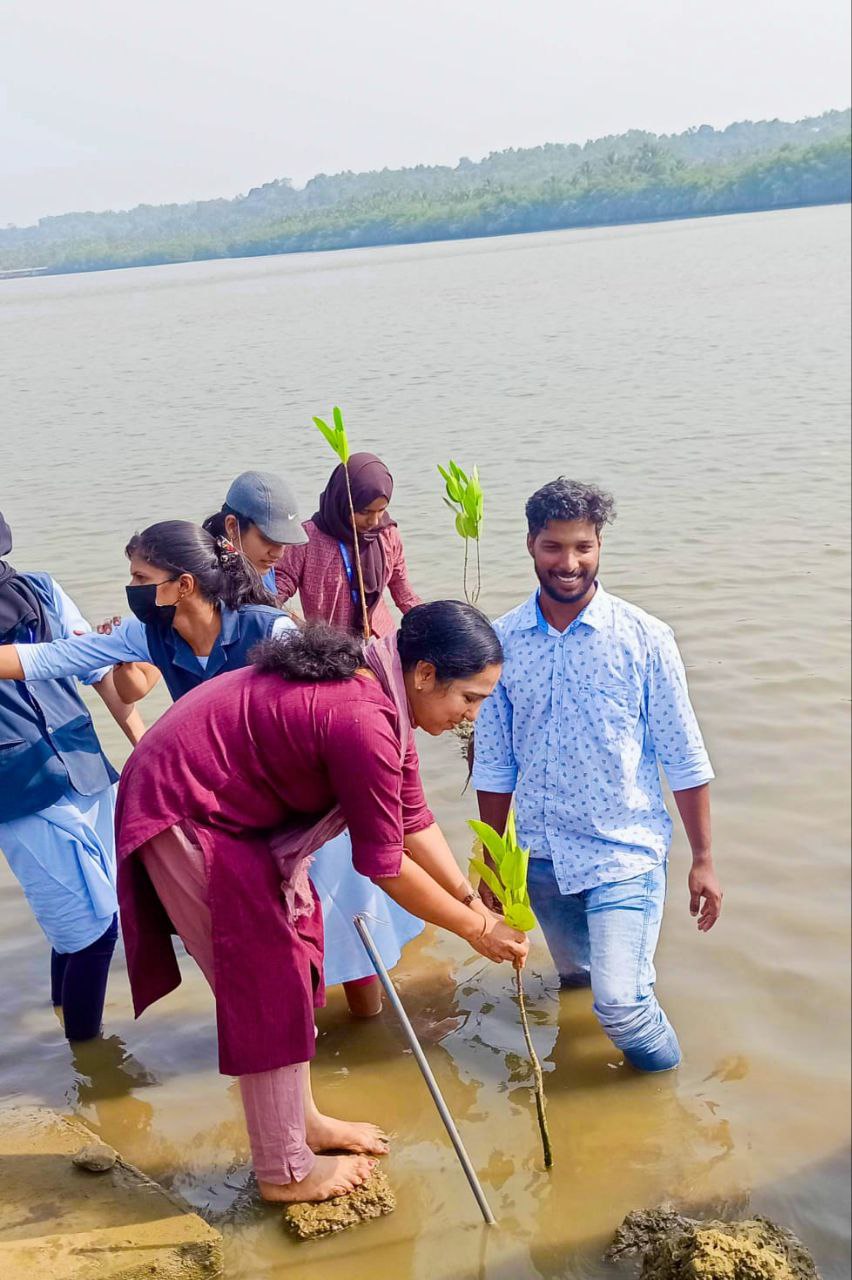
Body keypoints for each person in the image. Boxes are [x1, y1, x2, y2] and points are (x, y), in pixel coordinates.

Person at [115, 603, 528, 1203]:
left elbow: (412, 818)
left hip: (235, 811)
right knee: (266, 980)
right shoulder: (362, 718)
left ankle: (301, 1121)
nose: (472, 715)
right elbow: (383, 865)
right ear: (425, 674)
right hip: (186, 806)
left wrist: (473, 901)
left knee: (298, 955)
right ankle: (284, 1169)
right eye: (469, 698)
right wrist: (473, 931)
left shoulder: (385, 694)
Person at [472, 478, 722, 1073]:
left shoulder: (645, 639)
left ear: (600, 544)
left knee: (624, 1005)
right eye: (554, 547)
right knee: (577, 981)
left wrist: (704, 857)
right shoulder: (502, 643)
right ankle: (584, 1089)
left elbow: (683, 755)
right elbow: (494, 762)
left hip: (623, 852)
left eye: (583, 546)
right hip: (541, 855)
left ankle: (663, 1095)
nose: (569, 562)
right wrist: (490, 863)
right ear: (531, 544)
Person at [0, 512, 143, 1042]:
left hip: (84, 768)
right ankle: (89, 1055)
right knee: (92, 932)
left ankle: (67, 1019)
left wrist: (146, 752)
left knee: (85, 922)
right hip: (19, 793)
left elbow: (98, 670)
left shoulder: (39, 591)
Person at [0, 521, 295, 703]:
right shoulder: (145, 634)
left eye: (141, 578)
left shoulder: (272, 631)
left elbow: (317, 707)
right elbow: (51, 657)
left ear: (184, 585)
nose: (131, 587)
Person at [275, 452, 421, 638]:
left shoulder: (387, 534)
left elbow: (403, 591)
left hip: (379, 640)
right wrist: (287, 621)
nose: (374, 520)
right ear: (342, 501)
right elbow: (280, 586)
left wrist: (431, 623)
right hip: (328, 647)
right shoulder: (308, 538)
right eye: (364, 511)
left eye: (381, 510)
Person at [202, 470, 307, 597]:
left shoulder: (258, 563)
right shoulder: (209, 582)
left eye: (283, 541)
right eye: (269, 539)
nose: (278, 554)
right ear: (232, 526)